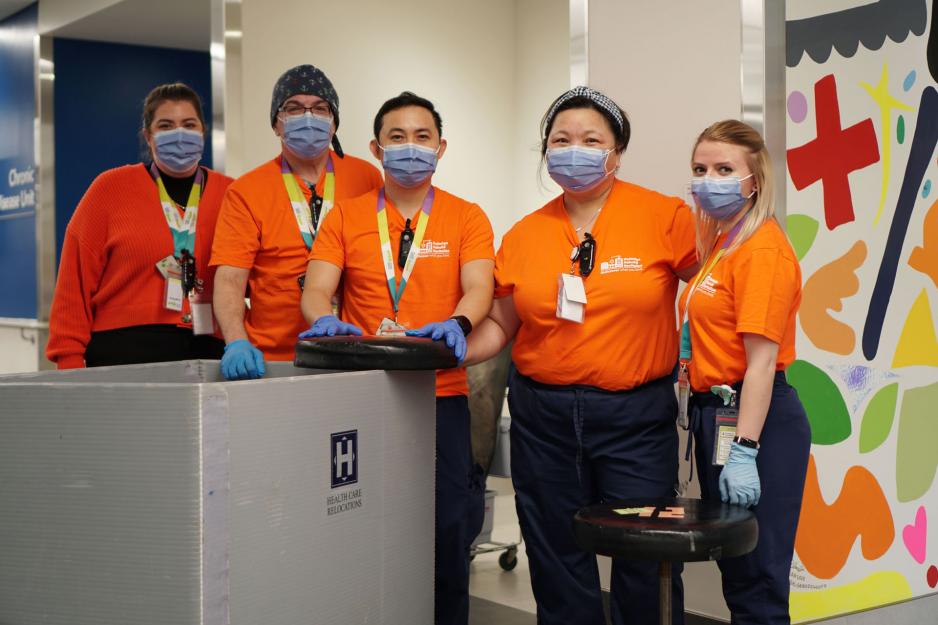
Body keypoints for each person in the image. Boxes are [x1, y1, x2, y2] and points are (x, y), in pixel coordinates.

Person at [464, 86, 698, 625]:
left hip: (635, 420)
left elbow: (713, 289)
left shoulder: (665, 217)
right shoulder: (524, 234)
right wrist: (452, 346)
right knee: (555, 557)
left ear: (617, 151)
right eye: (561, 139)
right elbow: (502, 322)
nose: (575, 149)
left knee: (645, 556)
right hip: (541, 419)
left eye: (592, 139)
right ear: (546, 151)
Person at [300, 91, 493, 625]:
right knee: (363, 526)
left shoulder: (466, 216)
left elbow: (479, 285)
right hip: (366, 399)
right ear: (376, 148)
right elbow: (317, 288)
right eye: (397, 137)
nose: (411, 148)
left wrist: (458, 322)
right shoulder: (346, 216)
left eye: (422, 137)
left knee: (446, 530)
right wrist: (322, 317)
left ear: (442, 146)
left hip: (442, 398)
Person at [680, 120, 810, 625]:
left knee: (759, 578)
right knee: (739, 571)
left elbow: (760, 362)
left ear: (754, 180)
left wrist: (745, 451)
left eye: (724, 169)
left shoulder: (762, 250)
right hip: (720, 414)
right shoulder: (723, 243)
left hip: (758, 423)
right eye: (700, 169)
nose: (709, 178)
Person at [210, 64, 382, 380]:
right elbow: (231, 278)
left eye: (319, 108)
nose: (308, 117)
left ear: (333, 123)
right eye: (294, 108)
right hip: (277, 359)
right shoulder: (247, 191)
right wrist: (236, 340)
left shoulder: (367, 178)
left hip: (357, 353)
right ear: (277, 123)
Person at [47, 83, 232, 368]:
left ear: (202, 132)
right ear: (149, 136)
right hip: (122, 353)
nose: (179, 134)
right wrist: (68, 360)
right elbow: (75, 282)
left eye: (189, 124)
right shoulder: (110, 189)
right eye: (166, 125)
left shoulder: (231, 194)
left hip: (208, 349)